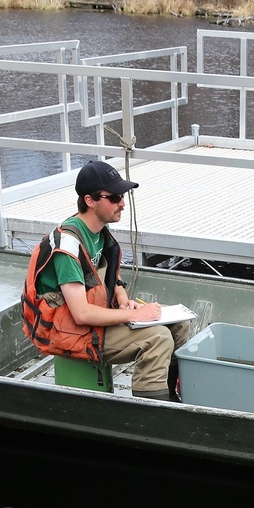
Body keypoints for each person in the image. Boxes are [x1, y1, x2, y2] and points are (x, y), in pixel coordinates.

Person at [21, 159, 191, 400]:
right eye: (114, 198)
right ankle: (151, 415)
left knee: (179, 324)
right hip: (69, 332)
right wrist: (135, 315)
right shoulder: (68, 247)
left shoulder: (98, 228)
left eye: (122, 196)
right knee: (158, 338)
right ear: (90, 201)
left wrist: (122, 298)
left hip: (93, 317)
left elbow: (111, 275)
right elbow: (81, 314)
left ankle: (171, 396)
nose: (122, 203)